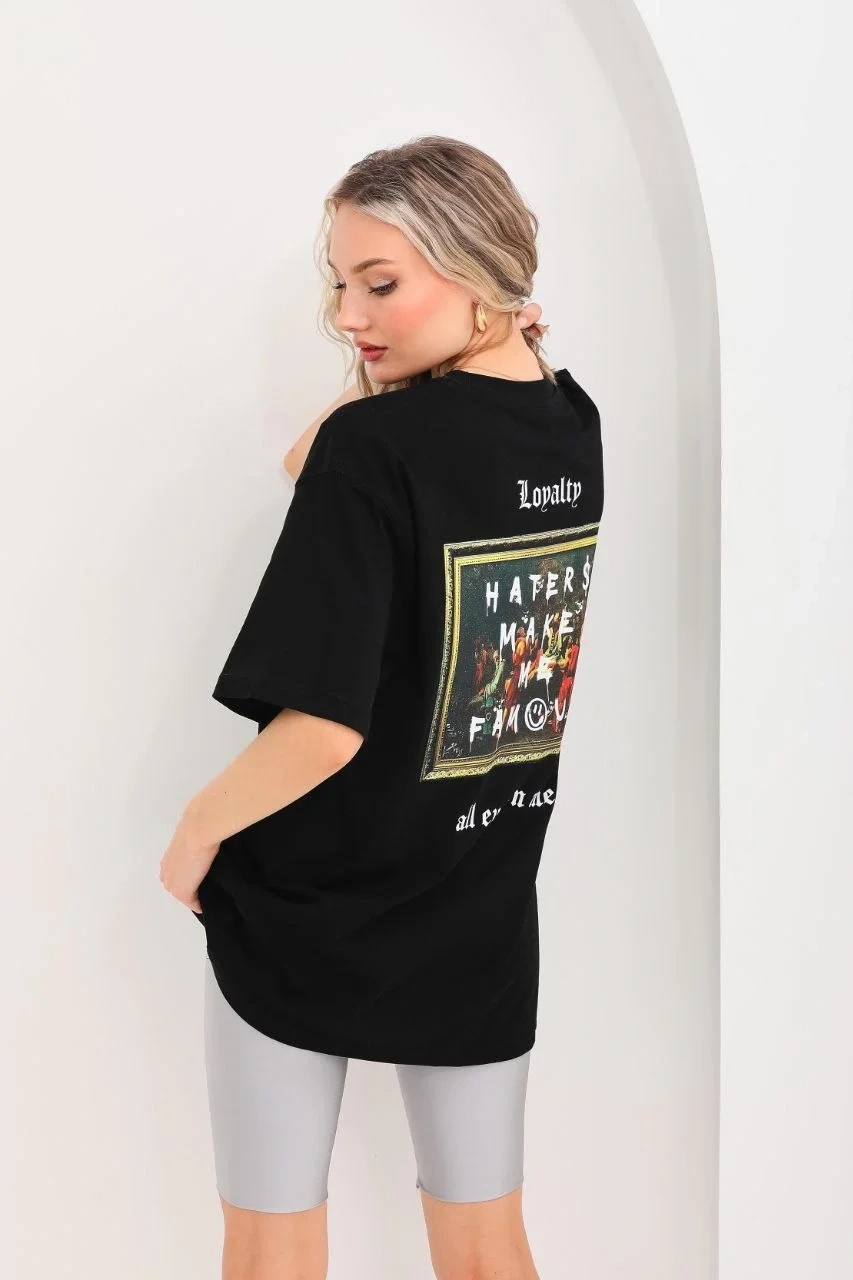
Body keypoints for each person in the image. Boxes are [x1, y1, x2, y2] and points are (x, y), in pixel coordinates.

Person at [159, 134, 604, 1280]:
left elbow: (323, 726)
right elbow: (315, 458)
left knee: (269, 1248)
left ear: (475, 266)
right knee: (487, 1246)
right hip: (480, 900)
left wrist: (197, 829)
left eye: (381, 282)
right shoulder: (570, 421)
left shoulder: (378, 447)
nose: (349, 316)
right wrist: (447, 342)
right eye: (340, 284)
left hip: (310, 907)